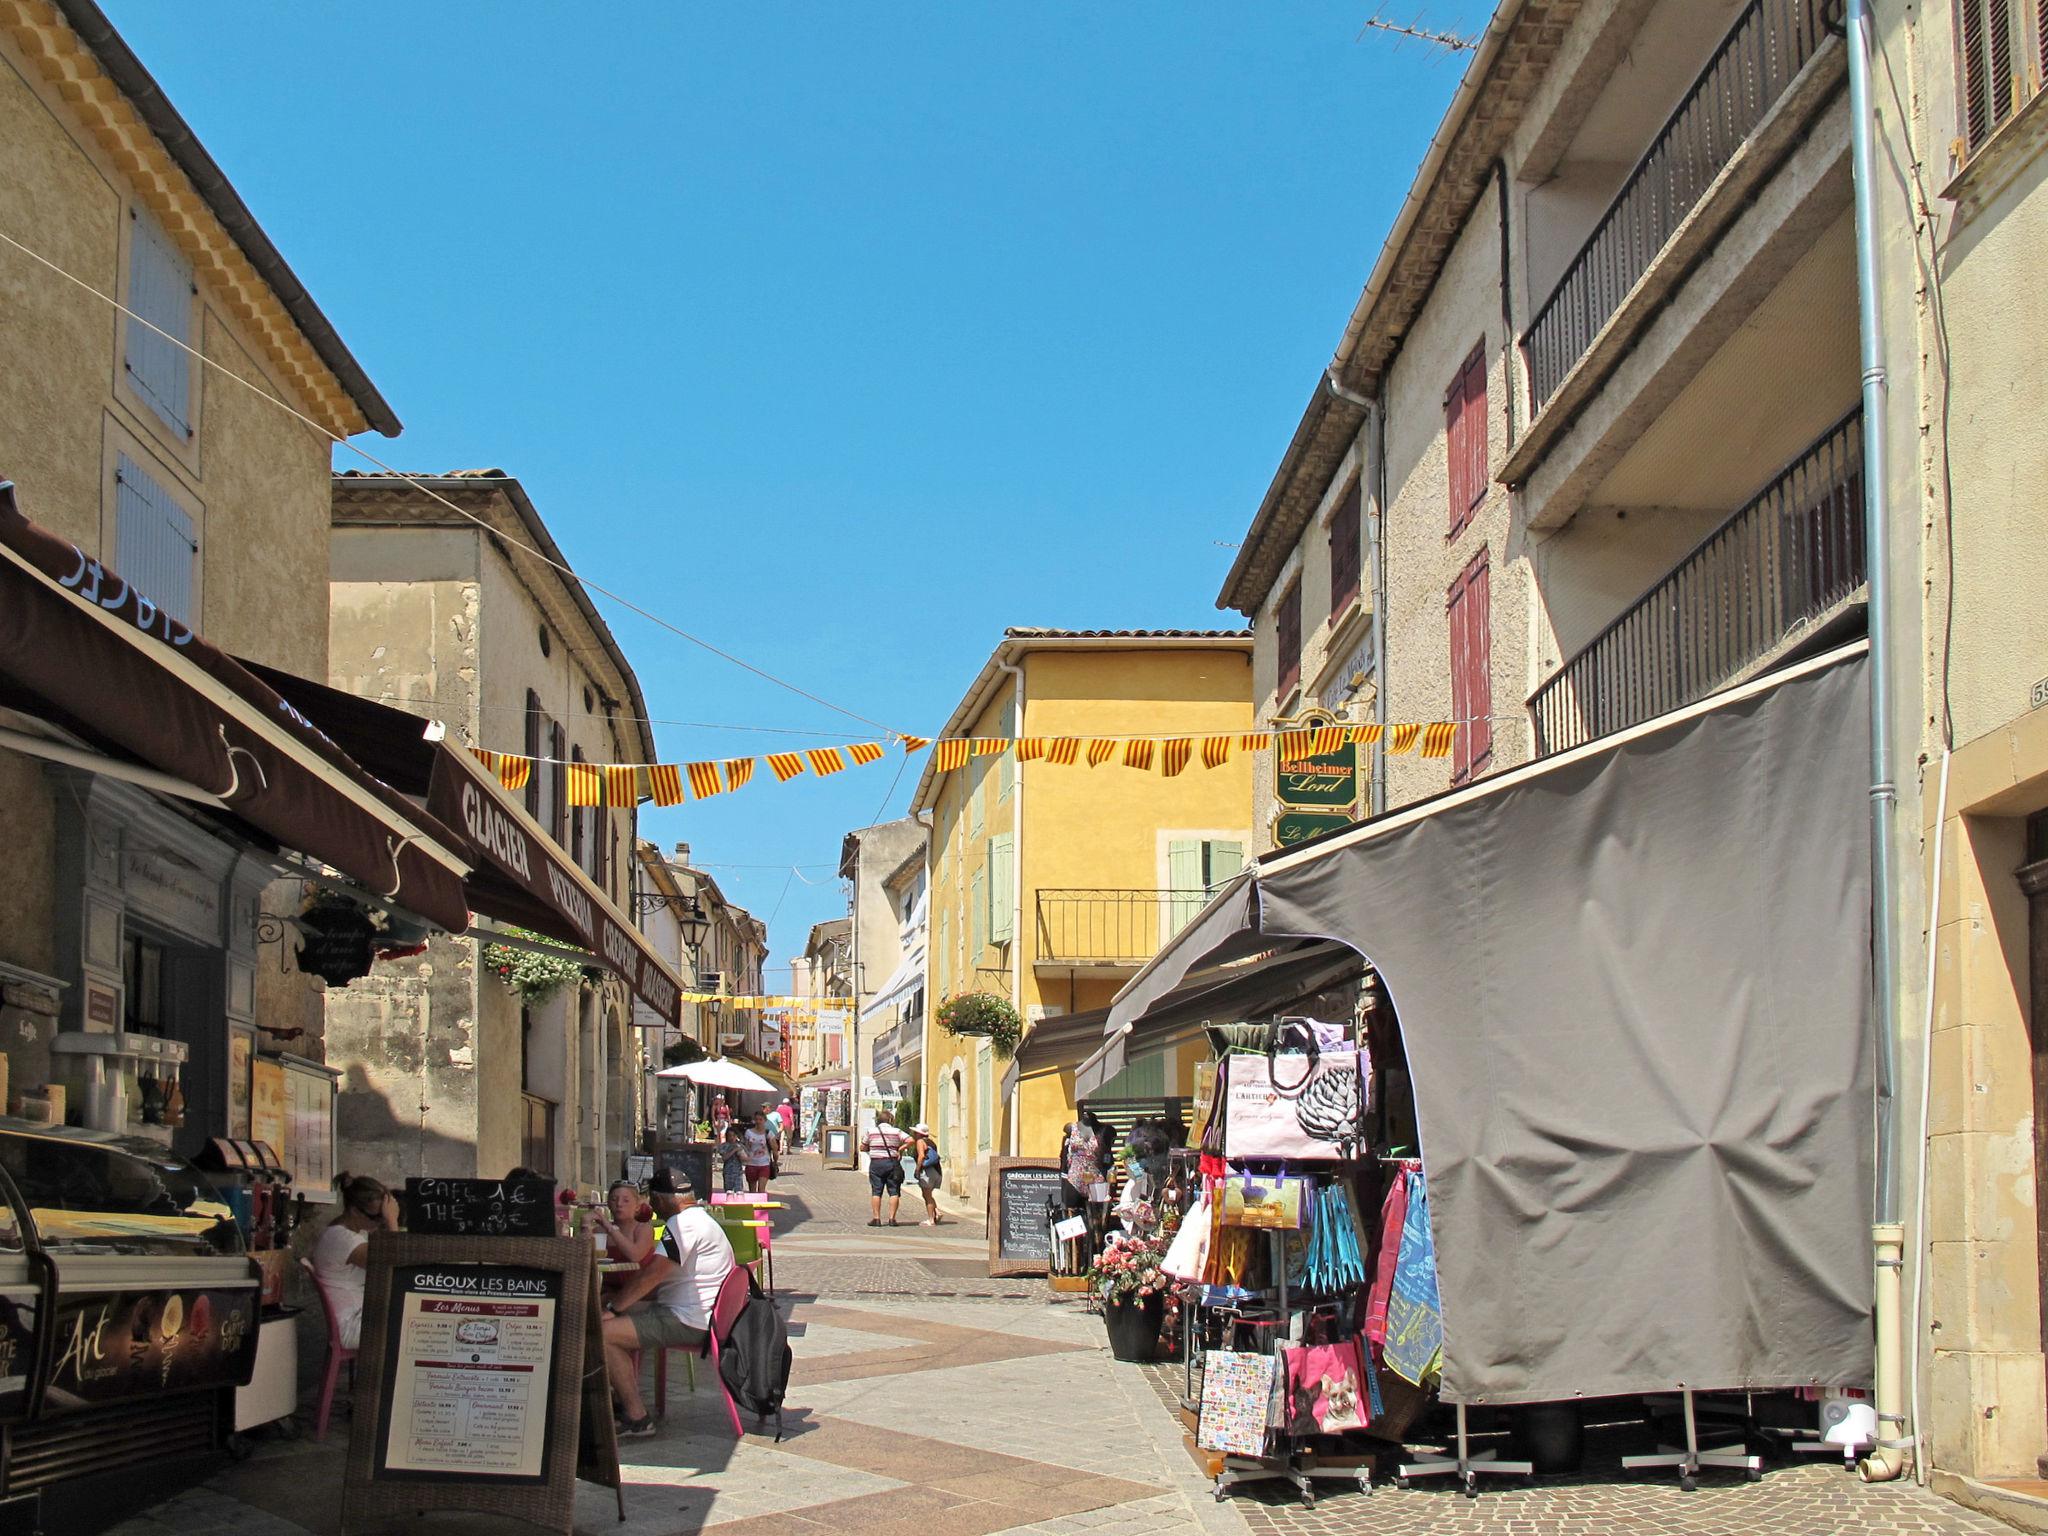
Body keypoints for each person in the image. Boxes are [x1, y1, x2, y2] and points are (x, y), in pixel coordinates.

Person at [600, 1168, 736, 1437]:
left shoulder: (682, 1224)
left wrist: (614, 1308)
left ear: (663, 1199)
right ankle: (616, 1396)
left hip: (688, 1319)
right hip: (701, 1314)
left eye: (653, 1199)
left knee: (603, 1333)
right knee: (608, 1314)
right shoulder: (700, 1219)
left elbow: (653, 1274)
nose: (651, 1206)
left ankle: (636, 1417)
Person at [311, 1171, 399, 1349]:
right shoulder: (344, 1240)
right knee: (414, 1326)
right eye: (376, 1216)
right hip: (351, 1325)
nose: (380, 1221)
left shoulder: (343, 1231)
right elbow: (393, 1262)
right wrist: (392, 1220)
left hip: (356, 1316)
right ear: (354, 1211)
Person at [593, 1180, 654, 1291]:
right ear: (608, 1204)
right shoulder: (599, 1231)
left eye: (626, 1200)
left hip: (638, 1291)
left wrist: (611, 1229)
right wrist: (585, 1226)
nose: (619, 1204)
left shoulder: (643, 1229)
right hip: (608, 1289)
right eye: (614, 1199)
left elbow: (635, 1256)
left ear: (637, 1206)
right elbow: (584, 1257)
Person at [863, 1109, 908, 1227]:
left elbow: (862, 1147)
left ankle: (876, 1219)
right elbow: (910, 1140)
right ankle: (892, 1219)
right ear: (890, 1120)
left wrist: (872, 1148)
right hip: (892, 1163)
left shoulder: (870, 1131)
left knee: (876, 1192)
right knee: (894, 1192)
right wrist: (900, 1149)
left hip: (876, 1164)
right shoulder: (897, 1131)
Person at [907, 1122, 944, 1226]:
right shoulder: (931, 1142)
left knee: (927, 1196)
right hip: (936, 1171)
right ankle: (937, 1212)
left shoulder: (920, 1141)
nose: (913, 1134)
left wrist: (917, 1169)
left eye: (915, 1132)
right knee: (927, 1195)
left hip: (927, 1172)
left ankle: (931, 1219)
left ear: (919, 1133)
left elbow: (921, 1156)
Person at [741, 1111, 775, 1193]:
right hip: (751, 1164)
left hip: (764, 1164)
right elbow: (745, 1148)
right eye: (756, 1119)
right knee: (752, 1191)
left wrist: (775, 1161)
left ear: (765, 1120)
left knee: (761, 1189)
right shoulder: (748, 1132)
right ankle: (754, 1206)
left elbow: (775, 1148)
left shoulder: (768, 1133)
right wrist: (748, 1145)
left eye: (760, 1119)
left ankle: (760, 1206)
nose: (758, 1122)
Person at [717, 1121, 746, 1194]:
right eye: (730, 1135)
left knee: (739, 1191)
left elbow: (746, 1159)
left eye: (733, 1135)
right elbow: (724, 1158)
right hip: (728, 1172)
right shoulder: (724, 1146)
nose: (732, 1137)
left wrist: (741, 1153)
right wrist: (734, 1150)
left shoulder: (740, 1145)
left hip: (738, 1172)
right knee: (729, 1192)